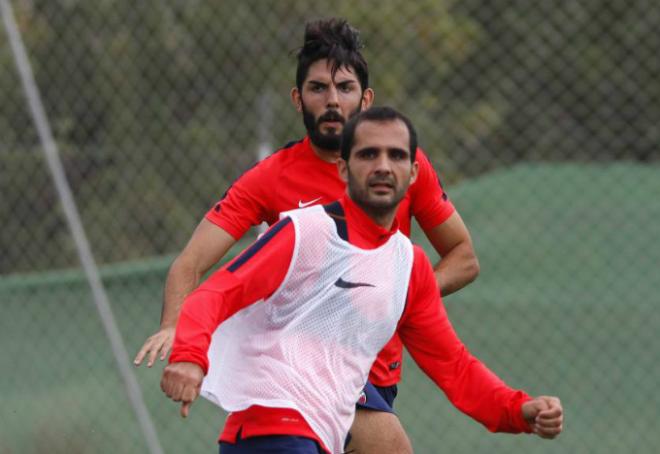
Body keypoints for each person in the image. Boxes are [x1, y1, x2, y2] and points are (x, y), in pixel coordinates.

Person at [137, 18, 479, 453]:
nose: (332, 100)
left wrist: (401, 295)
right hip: (301, 367)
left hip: (377, 371)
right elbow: (191, 264)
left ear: (366, 99)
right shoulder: (270, 178)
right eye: (318, 89)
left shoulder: (401, 166)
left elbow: (463, 256)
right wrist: (174, 327)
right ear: (298, 100)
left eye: (345, 87)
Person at [160, 107, 564, 454]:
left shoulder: (410, 266)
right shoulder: (306, 232)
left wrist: (518, 410)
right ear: (343, 167)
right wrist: (189, 356)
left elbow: (454, 367)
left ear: (414, 172)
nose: (383, 166)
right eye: (368, 154)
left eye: (396, 155)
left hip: (326, 431)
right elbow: (216, 292)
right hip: (274, 427)